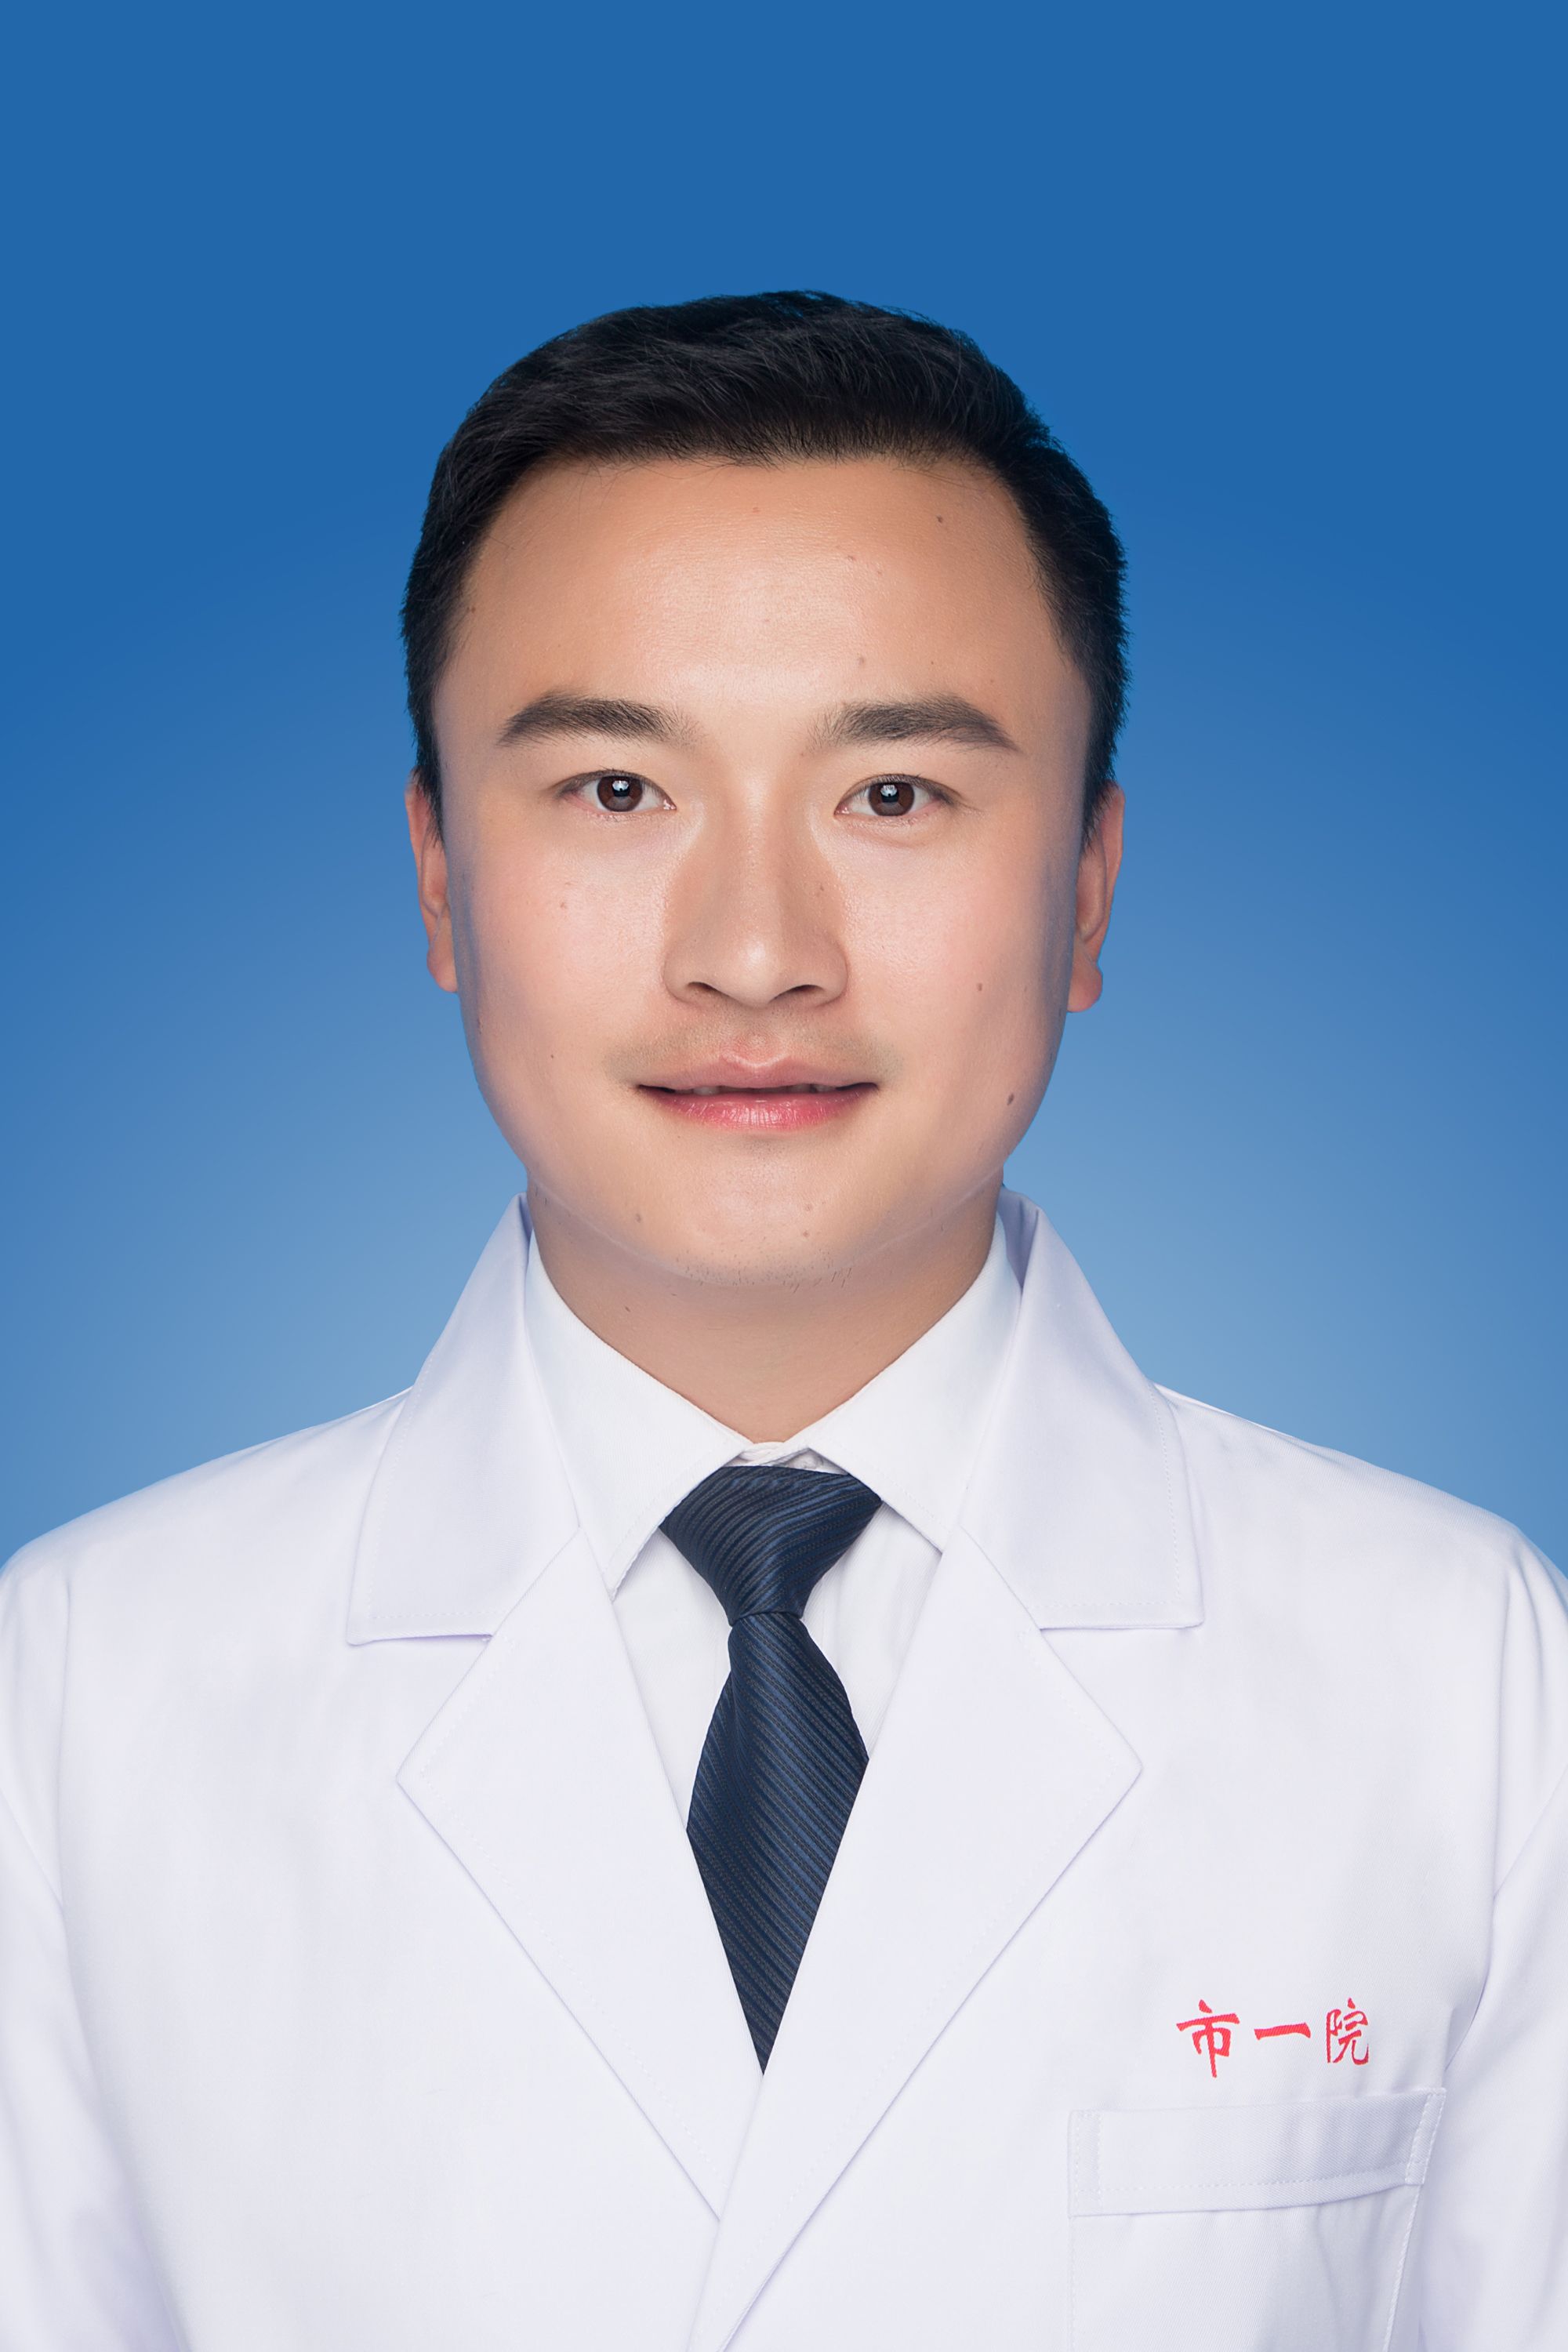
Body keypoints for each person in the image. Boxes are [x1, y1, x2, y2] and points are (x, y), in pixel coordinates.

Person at [1, 292, 1563, 2352]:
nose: (755, 954)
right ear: (441, 880)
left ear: (1088, 890)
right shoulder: (83, 1692)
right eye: (615, 791)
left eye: (893, 795)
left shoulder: (1461, 1672)